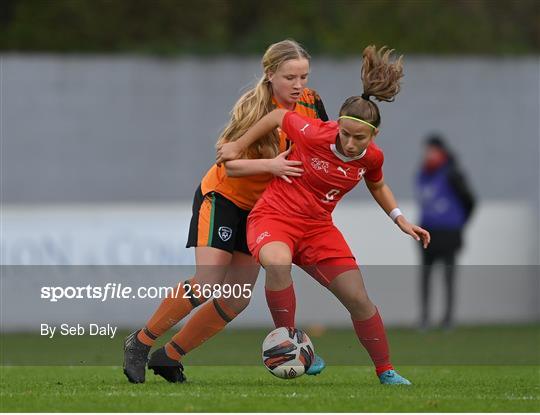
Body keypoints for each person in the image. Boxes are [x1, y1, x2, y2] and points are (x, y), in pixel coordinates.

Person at [217, 45, 430, 385]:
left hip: (318, 229)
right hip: (274, 217)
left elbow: (378, 186)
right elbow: (276, 117)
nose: (348, 142)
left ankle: (386, 371)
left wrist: (400, 219)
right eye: (344, 133)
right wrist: (239, 145)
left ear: (373, 136)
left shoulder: (371, 157)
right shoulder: (315, 133)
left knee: (359, 299)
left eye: (358, 137)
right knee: (276, 261)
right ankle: (290, 344)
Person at [123, 39, 329, 384]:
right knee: (206, 284)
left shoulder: (312, 102)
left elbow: (327, 142)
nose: (298, 85)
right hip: (223, 198)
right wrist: (273, 166)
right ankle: (140, 343)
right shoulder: (252, 107)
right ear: (270, 74)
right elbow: (229, 165)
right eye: (290, 77)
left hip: (263, 210)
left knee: (235, 300)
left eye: (303, 77)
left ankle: (168, 356)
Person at [416, 135, 475, 330]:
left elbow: (470, 200)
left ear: (441, 152)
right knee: (426, 275)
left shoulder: (452, 174)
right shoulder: (423, 174)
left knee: (448, 276)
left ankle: (448, 319)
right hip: (427, 232)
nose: (428, 154)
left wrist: (459, 223)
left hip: (449, 233)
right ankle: (425, 318)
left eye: (432, 150)